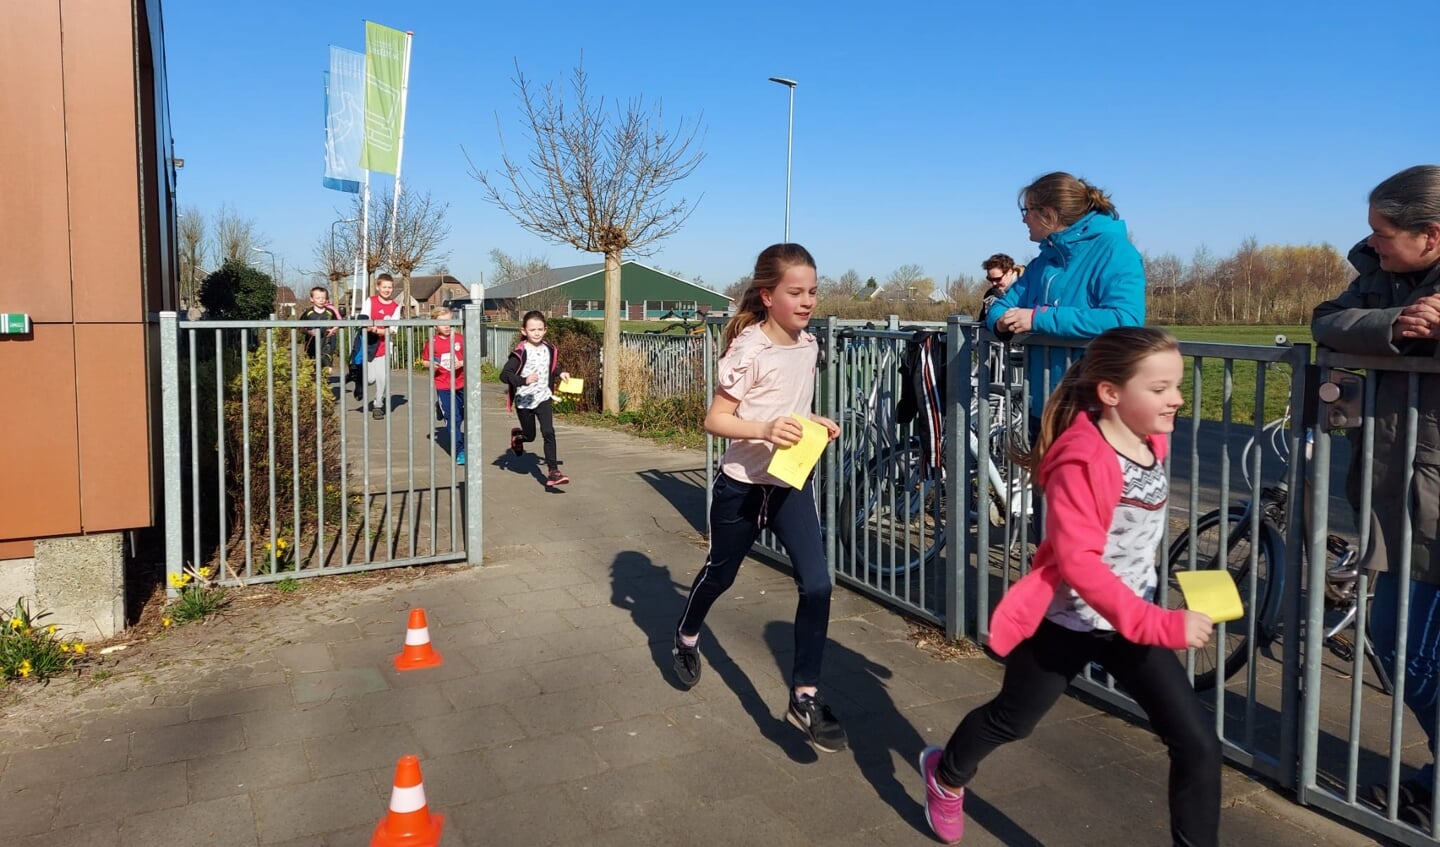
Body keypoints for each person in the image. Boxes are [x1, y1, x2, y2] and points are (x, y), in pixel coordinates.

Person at [918, 326, 1220, 846]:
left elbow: (1136, 533)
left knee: (1197, 744)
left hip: (1128, 619)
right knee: (1013, 720)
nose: (1177, 398)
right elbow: (1081, 565)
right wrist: (1160, 622)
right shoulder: (1081, 460)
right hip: (1069, 622)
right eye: (1160, 388)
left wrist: (1188, 589)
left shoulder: (1154, 437)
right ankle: (946, 776)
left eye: (1176, 385)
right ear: (1111, 394)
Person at [670, 243, 849, 753]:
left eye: (813, 291)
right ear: (768, 296)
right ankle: (686, 634)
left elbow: (792, 407)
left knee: (817, 584)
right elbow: (715, 420)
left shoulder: (810, 345)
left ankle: (805, 696)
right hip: (742, 487)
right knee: (720, 575)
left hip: (791, 484)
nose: (808, 300)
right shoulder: (749, 348)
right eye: (796, 292)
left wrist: (813, 422)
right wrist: (765, 429)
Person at [1311, 164, 1440, 828]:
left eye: (1384, 233)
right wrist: (1396, 324)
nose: (1374, 243)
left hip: (1431, 493)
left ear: (1432, 235)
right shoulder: (1385, 276)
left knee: (1405, 642)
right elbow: (1327, 318)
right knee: (1392, 637)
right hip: (1399, 492)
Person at [985, 172, 1147, 412]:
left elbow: (1125, 319)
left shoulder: (1115, 252)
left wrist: (1037, 318)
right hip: (1043, 406)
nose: (1024, 221)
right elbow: (1000, 306)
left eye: (1026, 211)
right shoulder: (1042, 262)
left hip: (1093, 409)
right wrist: (1000, 323)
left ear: (1048, 214)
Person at [500, 311, 571, 487]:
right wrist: (523, 380)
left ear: (545, 330)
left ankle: (553, 472)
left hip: (543, 397)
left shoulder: (549, 348)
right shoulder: (520, 352)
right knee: (530, 436)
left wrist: (560, 372)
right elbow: (505, 375)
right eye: (532, 330)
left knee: (548, 431)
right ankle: (518, 438)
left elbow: (550, 366)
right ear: (524, 331)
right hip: (524, 400)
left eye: (540, 329)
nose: (537, 333)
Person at [421, 306, 467, 466]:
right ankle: (460, 450)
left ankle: (440, 409)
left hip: (462, 383)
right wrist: (433, 364)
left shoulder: (460, 339)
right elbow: (425, 361)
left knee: (462, 416)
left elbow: (471, 356)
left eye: (449, 321)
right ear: (435, 325)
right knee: (452, 418)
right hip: (443, 385)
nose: (447, 326)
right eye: (442, 323)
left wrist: (461, 362)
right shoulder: (432, 342)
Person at [363, 273, 402, 419]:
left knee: (382, 379)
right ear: (378, 287)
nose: (387, 290)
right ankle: (359, 381)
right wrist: (370, 328)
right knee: (369, 379)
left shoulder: (395, 307)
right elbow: (364, 320)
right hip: (369, 344)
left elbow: (392, 330)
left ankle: (378, 405)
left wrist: (377, 330)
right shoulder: (370, 301)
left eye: (390, 287)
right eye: (384, 287)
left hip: (384, 347)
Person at [299, 285, 341, 367]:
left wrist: (334, 329)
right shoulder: (308, 313)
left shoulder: (330, 312)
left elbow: (338, 323)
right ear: (311, 299)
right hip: (311, 345)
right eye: (318, 298)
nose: (321, 300)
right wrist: (309, 332)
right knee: (312, 368)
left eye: (323, 298)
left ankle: (325, 378)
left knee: (327, 368)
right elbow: (300, 328)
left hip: (327, 344)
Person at [978, 253, 1020, 324]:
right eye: (990, 279)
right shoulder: (991, 294)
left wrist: (1003, 299)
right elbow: (982, 320)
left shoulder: (1026, 289)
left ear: (1009, 272)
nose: (993, 283)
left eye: (997, 279)